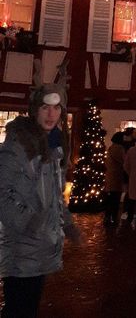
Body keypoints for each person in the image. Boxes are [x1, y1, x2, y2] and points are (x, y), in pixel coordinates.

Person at [0, 67, 79, 318]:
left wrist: (68, 225)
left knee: (29, 308)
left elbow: (55, 196)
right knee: (18, 310)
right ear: (35, 110)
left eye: (56, 108)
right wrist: (29, 222)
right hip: (21, 248)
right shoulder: (18, 146)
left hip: (41, 248)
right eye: (45, 107)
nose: (51, 114)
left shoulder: (54, 147)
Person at [104, 132, 125, 227]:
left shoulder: (111, 148)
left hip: (110, 176)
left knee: (109, 199)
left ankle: (107, 217)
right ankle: (113, 217)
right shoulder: (119, 149)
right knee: (115, 199)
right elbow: (123, 161)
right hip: (116, 177)